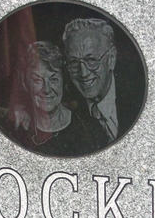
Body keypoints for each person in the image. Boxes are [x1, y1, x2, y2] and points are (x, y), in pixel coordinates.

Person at [62, 18, 139, 146]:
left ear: (111, 59)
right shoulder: (66, 109)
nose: (83, 73)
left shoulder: (137, 95)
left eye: (91, 60)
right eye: (74, 62)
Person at [19, 41, 104, 156]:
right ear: (25, 83)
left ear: (64, 81)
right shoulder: (17, 131)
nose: (47, 89)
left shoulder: (90, 129)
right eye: (37, 80)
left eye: (54, 79)